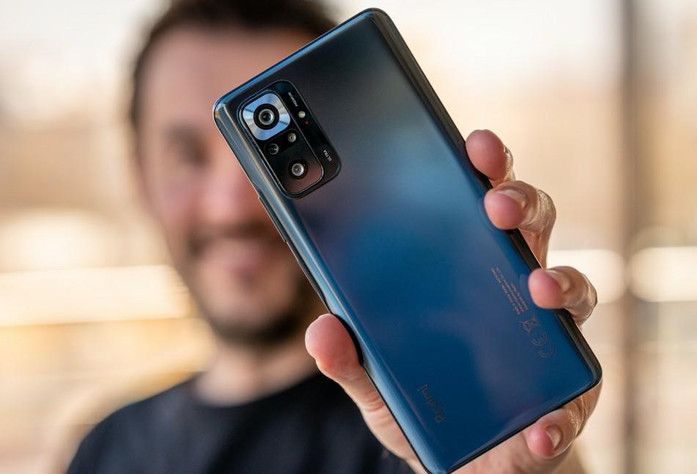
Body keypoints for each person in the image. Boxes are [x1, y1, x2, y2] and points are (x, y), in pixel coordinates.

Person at [67, 0, 601, 473]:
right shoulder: (106, 448)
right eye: (188, 156)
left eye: (265, 161)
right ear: (140, 176)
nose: (232, 207)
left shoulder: (434, 427)